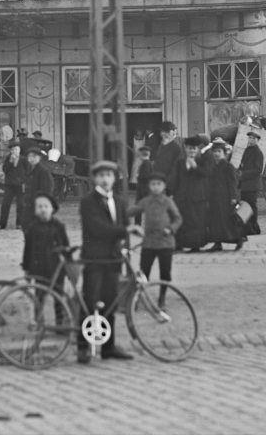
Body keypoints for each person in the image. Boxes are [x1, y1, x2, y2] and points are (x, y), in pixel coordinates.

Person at [77, 160, 142, 364]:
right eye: (101, 175)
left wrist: (124, 246)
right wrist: (125, 231)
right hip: (94, 258)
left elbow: (123, 227)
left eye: (109, 175)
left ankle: (108, 347)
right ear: (95, 178)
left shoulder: (121, 201)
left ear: (114, 178)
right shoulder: (88, 202)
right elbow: (97, 228)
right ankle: (83, 347)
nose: (105, 179)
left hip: (113, 258)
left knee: (110, 301)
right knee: (90, 302)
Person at [127, 173, 182, 302]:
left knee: (165, 272)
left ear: (164, 186)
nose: (156, 187)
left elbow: (178, 218)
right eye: (153, 184)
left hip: (165, 243)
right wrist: (120, 211)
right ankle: (140, 297)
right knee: (144, 272)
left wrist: (171, 228)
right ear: (149, 186)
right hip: (149, 243)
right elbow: (133, 211)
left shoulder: (168, 201)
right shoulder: (146, 201)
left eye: (159, 184)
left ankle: (162, 297)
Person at [21, 193, 70, 326]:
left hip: (56, 268)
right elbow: (28, 250)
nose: (43, 209)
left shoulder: (59, 226)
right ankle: (39, 322)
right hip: (39, 269)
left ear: (52, 209)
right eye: (40, 206)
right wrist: (26, 269)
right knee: (39, 297)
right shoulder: (32, 228)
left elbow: (66, 246)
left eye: (46, 206)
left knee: (59, 297)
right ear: (36, 210)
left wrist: (69, 265)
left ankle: (60, 323)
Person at [204, 138, 246, 252]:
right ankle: (217, 243)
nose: (216, 154)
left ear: (224, 153)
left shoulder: (228, 167)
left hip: (225, 198)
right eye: (215, 152)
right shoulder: (213, 167)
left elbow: (233, 183)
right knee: (215, 221)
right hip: (214, 198)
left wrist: (233, 197)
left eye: (219, 152)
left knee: (227, 221)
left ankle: (238, 239)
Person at [172, 135, 209, 251]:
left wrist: (196, 167)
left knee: (195, 221)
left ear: (197, 149)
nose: (192, 151)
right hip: (182, 196)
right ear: (185, 149)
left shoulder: (201, 162)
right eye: (189, 148)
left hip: (197, 197)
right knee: (181, 220)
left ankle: (195, 245)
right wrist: (172, 192)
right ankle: (179, 244)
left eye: (194, 148)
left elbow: (207, 174)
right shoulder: (180, 162)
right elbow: (175, 178)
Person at [237, 129, 264, 236]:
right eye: (250, 138)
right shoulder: (247, 150)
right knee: (245, 206)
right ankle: (248, 228)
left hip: (252, 185)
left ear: (258, 140)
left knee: (252, 206)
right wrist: (239, 171)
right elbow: (242, 164)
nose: (251, 140)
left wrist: (243, 174)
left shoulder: (258, 153)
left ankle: (254, 228)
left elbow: (258, 170)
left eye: (253, 138)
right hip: (244, 184)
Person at [22, 145, 55, 226]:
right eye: (29, 156)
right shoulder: (29, 169)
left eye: (34, 156)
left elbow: (47, 188)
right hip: (29, 202)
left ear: (39, 158)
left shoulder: (43, 171)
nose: (31, 159)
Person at [0, 140, 25, 230]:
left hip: (20, 185)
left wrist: (25, 182)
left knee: (21, 205)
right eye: (12, 150)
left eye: (16, 149)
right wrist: (10, 163)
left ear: (19, 150)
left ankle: (19, 224)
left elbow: (28, 172)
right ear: (11, 151)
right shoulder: (8, 159)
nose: (14, 151)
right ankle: (2, 224)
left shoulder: (24, 159)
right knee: (5, 205)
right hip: (9, 185)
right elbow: (5, 170)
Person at [152, 121, 183, 194]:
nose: (163, 134)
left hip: (170, 184)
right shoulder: (162, 145)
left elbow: (176, 167)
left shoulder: (177, 146)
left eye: (166, 131)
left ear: (173, 132)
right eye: (162, 131)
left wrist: (167, 182)